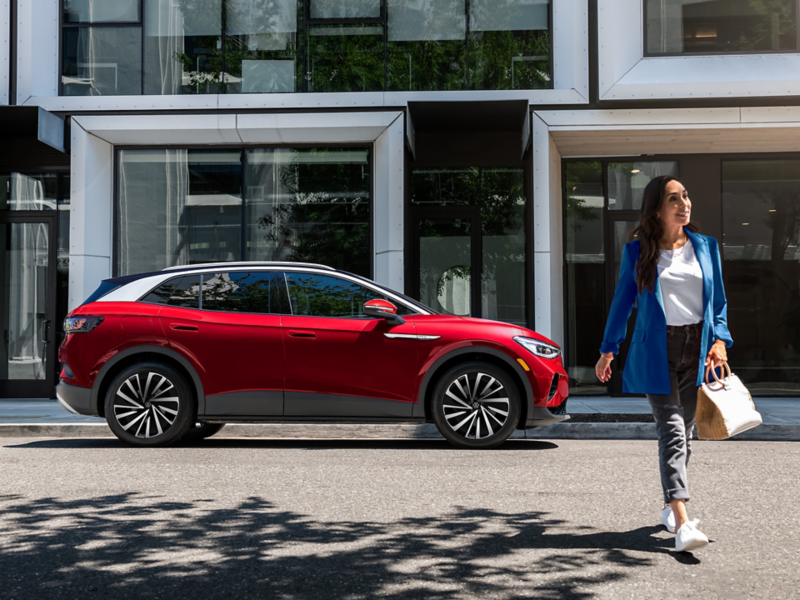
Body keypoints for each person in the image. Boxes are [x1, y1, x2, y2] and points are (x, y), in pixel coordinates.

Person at [595, 176, 732, 553]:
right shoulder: (638, 252)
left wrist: (720, 340)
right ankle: (683, 523)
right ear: (658, 208)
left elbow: (717, 302)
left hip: (697, 347)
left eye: (686, 196)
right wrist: (609, 350)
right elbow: (623, 302)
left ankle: (671, 504)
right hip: (658, 349)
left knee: (685, 434)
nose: (684, 203)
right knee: (672, 430)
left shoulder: (706, 246)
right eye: (674, 198)